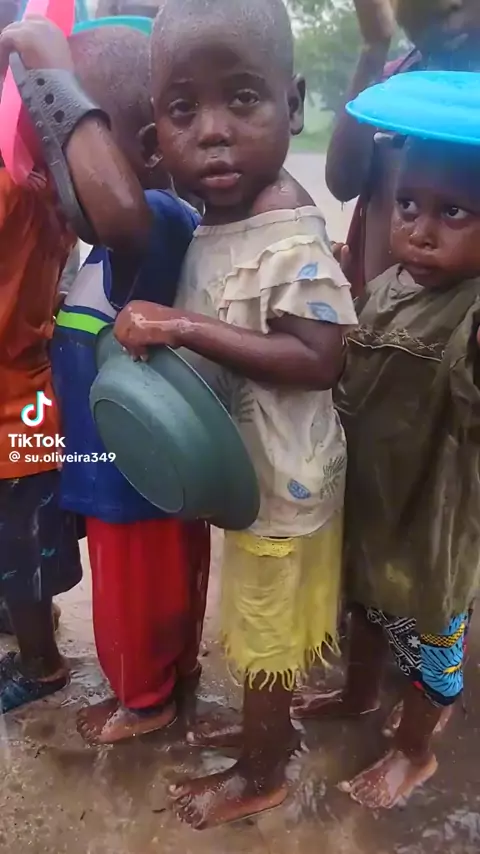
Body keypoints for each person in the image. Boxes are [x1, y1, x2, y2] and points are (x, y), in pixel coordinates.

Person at [110, 0, 358, 828]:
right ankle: (264, 728)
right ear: (155, 132)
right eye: (184, 110)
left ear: (294, 104)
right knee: (262, 623)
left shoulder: (287, 237)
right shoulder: (220, 216)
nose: (214, 132)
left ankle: (261, 770)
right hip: (251, 469)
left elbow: (319, 357)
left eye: (243, 99)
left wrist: (181, 327)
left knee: (265, 626)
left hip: (282, 479)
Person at [297, 135, 480, 809]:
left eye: (453, 212)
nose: (421, 231)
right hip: (374, 492)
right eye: (408, 205)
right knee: (365, 601)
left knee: (435, 634)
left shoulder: (471, 310)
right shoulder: (387, 286)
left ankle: (415, 751)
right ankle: (358, 692)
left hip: (436, 509)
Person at [49, 25, 210, 745]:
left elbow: (117, 214)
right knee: (169, 575)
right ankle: (174, 670)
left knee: (130, 590)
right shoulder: (138, 234)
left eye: (75, 148)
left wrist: (48, 67)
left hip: (128, 472)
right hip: (146, 461)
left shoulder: (149, 224)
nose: (60, 170)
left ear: (144, 149)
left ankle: (143, 699)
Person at [0, 4, 82, 710]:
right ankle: (31, 628)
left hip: (9, 404)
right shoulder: (50, 188)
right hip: (32, 394)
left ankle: (41, 667)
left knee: (18, 546)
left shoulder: (7, 192)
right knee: (26, 541)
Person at [327, 0, 480, 296]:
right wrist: (374, 46)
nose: (447, 21)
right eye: (427, 16)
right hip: (382, 307)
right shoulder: (392, 85)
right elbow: (342, 182)